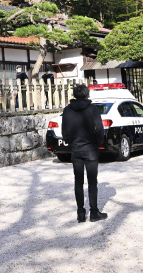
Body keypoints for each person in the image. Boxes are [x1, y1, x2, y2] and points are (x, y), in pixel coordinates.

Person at [61, 84, 108, 222]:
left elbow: (64, 130)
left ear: (75, 95)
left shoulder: (67, 110)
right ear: (87, 94)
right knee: (92, 182)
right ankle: (94, 212)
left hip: (76, 148)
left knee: (78, 182)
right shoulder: (92, 109)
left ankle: (80, 213)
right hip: (91, 148)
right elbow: (99, 128)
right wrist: (99, 142)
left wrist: (70, 141)